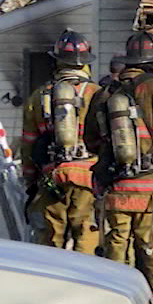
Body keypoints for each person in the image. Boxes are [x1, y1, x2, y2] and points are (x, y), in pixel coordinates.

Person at [85, 29, 153, 304]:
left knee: (117, 242)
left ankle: (114, 300)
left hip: (116, 185)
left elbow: (90, 139)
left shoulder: (106, 93)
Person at [21, 29, 103, 254]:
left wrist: (30, 179)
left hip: (51, 178)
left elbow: (28, 143)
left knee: (50, 241)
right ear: (85, 62)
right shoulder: (98, 94)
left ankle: (50, 286)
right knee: (86, 237)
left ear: (57, 61)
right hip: (88, 178)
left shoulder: (39, 96)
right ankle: (86, 285)